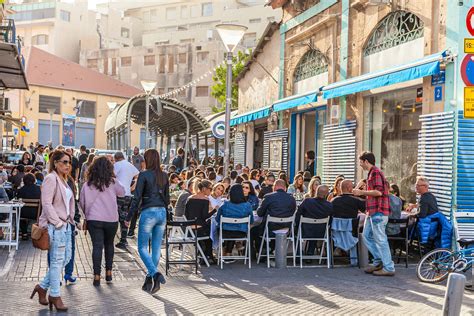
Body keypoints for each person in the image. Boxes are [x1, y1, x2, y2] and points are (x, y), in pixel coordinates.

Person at [32, 150, 74, 311]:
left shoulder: (63, 179)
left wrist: (70, 221)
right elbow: (47, 203)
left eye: (69, 162)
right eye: (64, 162)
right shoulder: (50, 178)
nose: (67, 165)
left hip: (66, 225)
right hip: (56, 227)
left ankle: (42, 287)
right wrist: (57, 223)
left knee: (66, 258)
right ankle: (55, 295)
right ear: (55, 163)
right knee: (57, 262)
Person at [126, 149, 169, 294]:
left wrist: (128, 216)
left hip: (148, 212)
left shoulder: (144, 175)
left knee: (142, 247)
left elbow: (136, 198)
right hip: (162, 212)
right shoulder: (164, 175)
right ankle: (149, 277)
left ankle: (155, 274)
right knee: (156, 248)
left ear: (147, 160)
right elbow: (167, 199)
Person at [80, 156, 125, 286]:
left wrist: (87, 215)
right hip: (111, 219)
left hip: (94, 219)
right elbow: (122, 192)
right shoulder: (112, 182)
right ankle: (109, 273)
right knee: (109, 245)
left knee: (97, 246)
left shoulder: (87, 185)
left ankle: (96, 276)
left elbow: (82, 203)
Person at [353, 151, 394, 276]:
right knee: (366, 236)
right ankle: (378, 262)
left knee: (380, 239)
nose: (360, 165)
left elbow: (378, 192)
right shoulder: (372, 173)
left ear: (366, 161)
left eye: (361, 162)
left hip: (378, 212)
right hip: (372, 212)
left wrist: (361, 193)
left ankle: (388, 268)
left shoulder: (375, 172)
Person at [252, 180, 297, 254]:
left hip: (270, 229)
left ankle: (262, 251)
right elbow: (293, 212)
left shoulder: (268, 197)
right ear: (285, 188)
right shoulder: (292, 199)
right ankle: (271, 249)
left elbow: (259, 213)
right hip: (287, 229)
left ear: (275, 187)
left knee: (253, 230)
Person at [215, 184, 254, 257]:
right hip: (241, 233)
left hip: (225, 232)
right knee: (234, 227)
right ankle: (229, 251)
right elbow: (251, 221)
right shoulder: (247, 205)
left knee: (227, 227)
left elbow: (217, 219)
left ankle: (227, 251)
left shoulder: (225, 204)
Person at [295, 185, 333, 256]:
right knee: (316, 228)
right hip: (322, 233)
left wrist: (297, 225)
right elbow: (330, 221)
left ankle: (298, 255)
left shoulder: (307, 201)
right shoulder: (329, 206)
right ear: (326, 194)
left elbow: (298, 215)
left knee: (299, 230)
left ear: (316, 192)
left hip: (305, 231)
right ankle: (310, 252)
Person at [113, 151, 139, 249]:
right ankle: (123, 239)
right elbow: (138, 175)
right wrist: (133, 186)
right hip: (128, 194)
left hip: (118, 195)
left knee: (117, 216)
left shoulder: (116, 165)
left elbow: (112, 177)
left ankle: (118, 239)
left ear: (116, 158)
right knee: (125, 216)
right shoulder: (130, 165)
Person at [185, 179, 215, 263]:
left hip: (189, 230)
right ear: (204, 189)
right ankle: (208, 256)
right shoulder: (205, 199)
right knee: (212, 231)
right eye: (210, 188)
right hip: (200, 229)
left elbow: (186, 214)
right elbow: (205, 216)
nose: (211, 191)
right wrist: (215, 210)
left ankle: (203, 255)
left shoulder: (190, 198)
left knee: (208, 228)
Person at [17, 174, 41, 240]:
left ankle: (24, 233)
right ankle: (36, 233)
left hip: (23, 213)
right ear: (34, 180)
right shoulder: (39, 189)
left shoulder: (21, 189)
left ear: (24, 181)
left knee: (19, 212)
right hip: (36, 213)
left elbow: (18, 200)